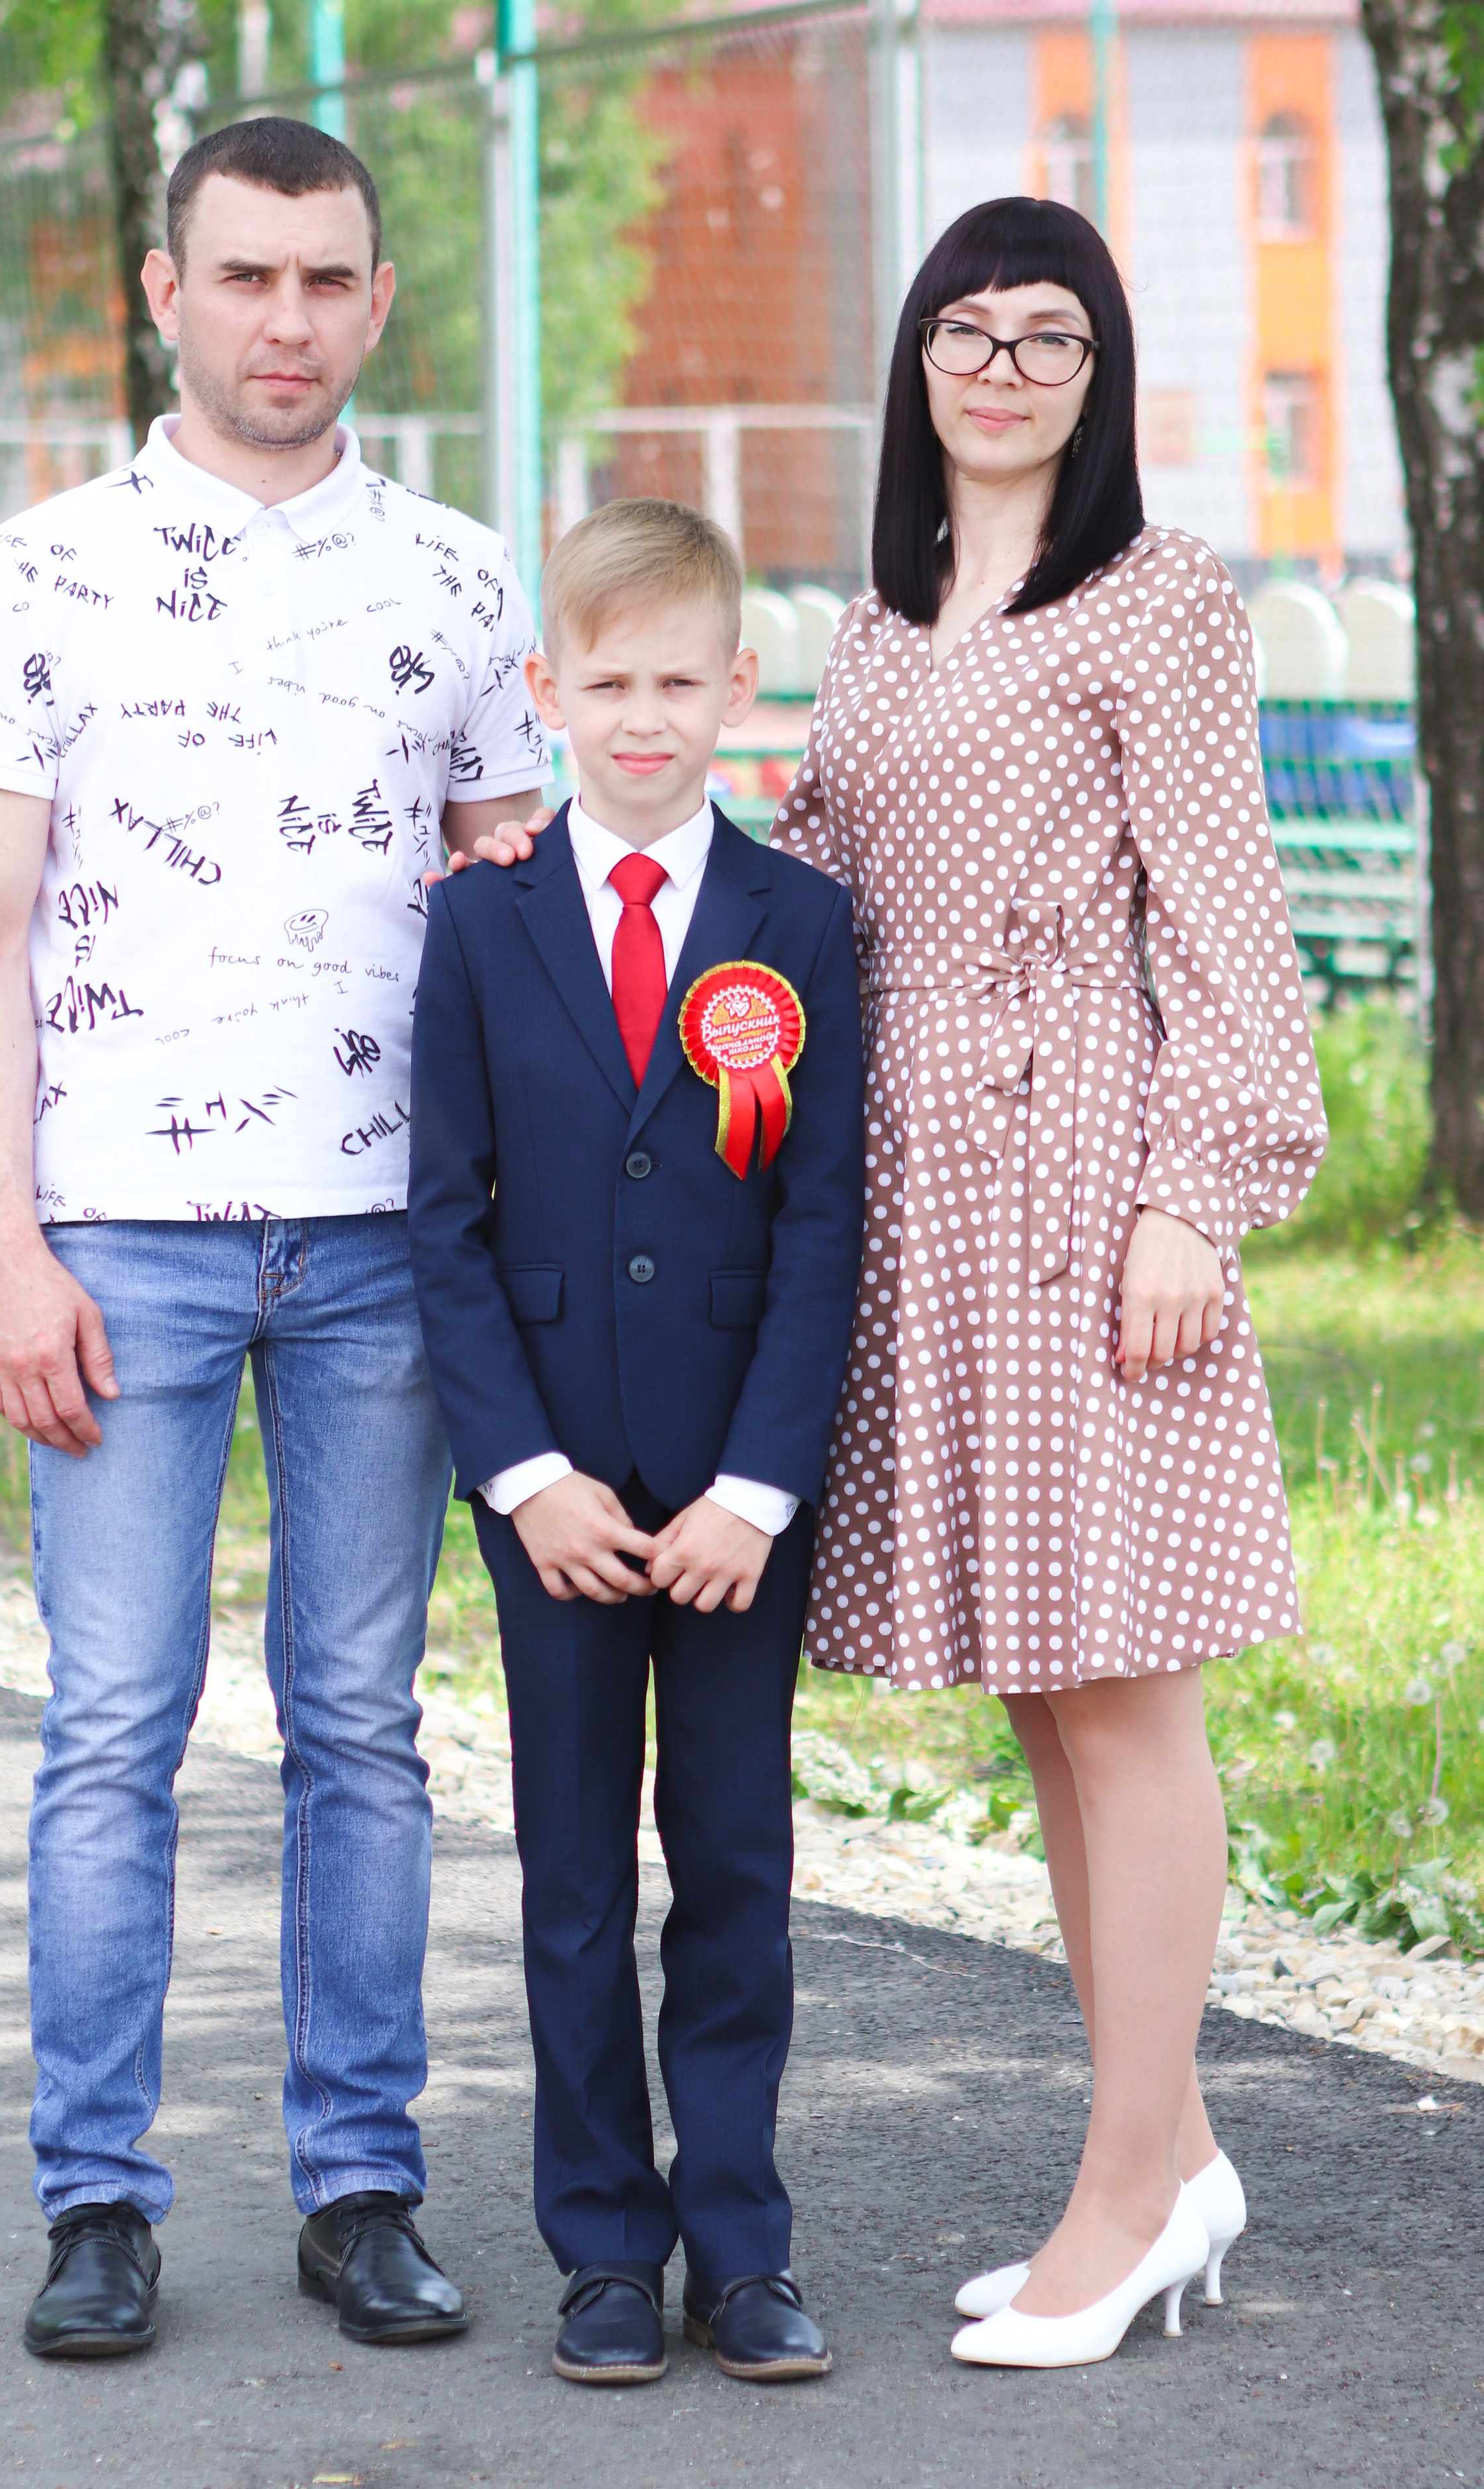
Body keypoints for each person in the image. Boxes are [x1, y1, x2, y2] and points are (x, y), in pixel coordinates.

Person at [0, 116, 550, 2360]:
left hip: (390, 1248)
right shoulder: (43, 572)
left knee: (360, 1729)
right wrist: (14, 1247)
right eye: (247, 276)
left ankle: (360, 2185)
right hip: (129, 1251)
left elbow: (527, 952)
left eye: (327, 280)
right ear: (165, 295)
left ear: (381, 304)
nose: (287, 319)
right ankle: (97, 2202)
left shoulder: (466, 587)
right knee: (111, 1732)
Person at [771, 196, 1327, 2369]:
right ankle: (1165, 2156)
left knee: (1126, 1688)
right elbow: (816, 874)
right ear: (918, 364)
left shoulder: (1158, 602)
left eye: (1052, 339)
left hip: (1095, 1183)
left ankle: (1128, 2192)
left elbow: (1229, 920)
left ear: (1100, 382)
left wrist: (1201, 1189)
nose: (1003, 369)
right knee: (1040, 1690)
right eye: (968, 334)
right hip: (922, 1199)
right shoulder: (880, 623)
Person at [407, 499, 864, 2387]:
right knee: (577, 1875)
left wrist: (763, 1485)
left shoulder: (807, 926)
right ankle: (604, 2241)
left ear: (740, 688)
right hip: (565, 1507)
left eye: (683, 680)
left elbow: (828, 1217)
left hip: (735, 1507)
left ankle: (739, 2242)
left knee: (737, 1863)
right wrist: (525, 1478)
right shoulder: (481, 922)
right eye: (609, 682)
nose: (647, 716)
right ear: (548, 692)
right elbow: (443, 1219)